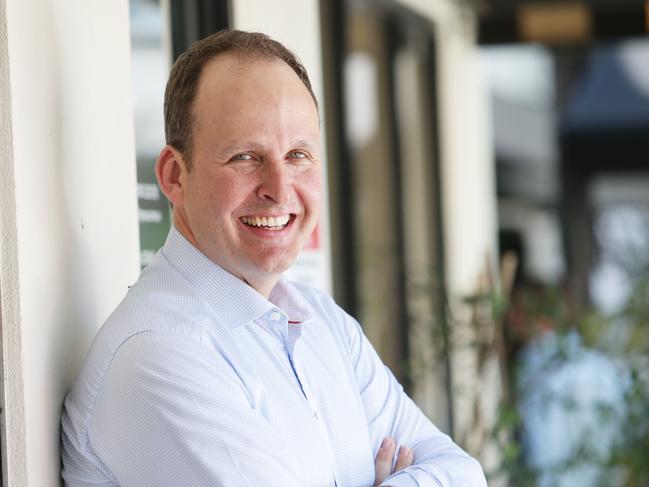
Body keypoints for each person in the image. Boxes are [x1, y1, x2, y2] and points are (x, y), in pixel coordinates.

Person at [61, 30, 487, 487]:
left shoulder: (322, 322)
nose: (279, 190)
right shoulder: (160, 352)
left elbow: (464, 472)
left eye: (297, 155)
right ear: (173, 176)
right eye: (245, 157)